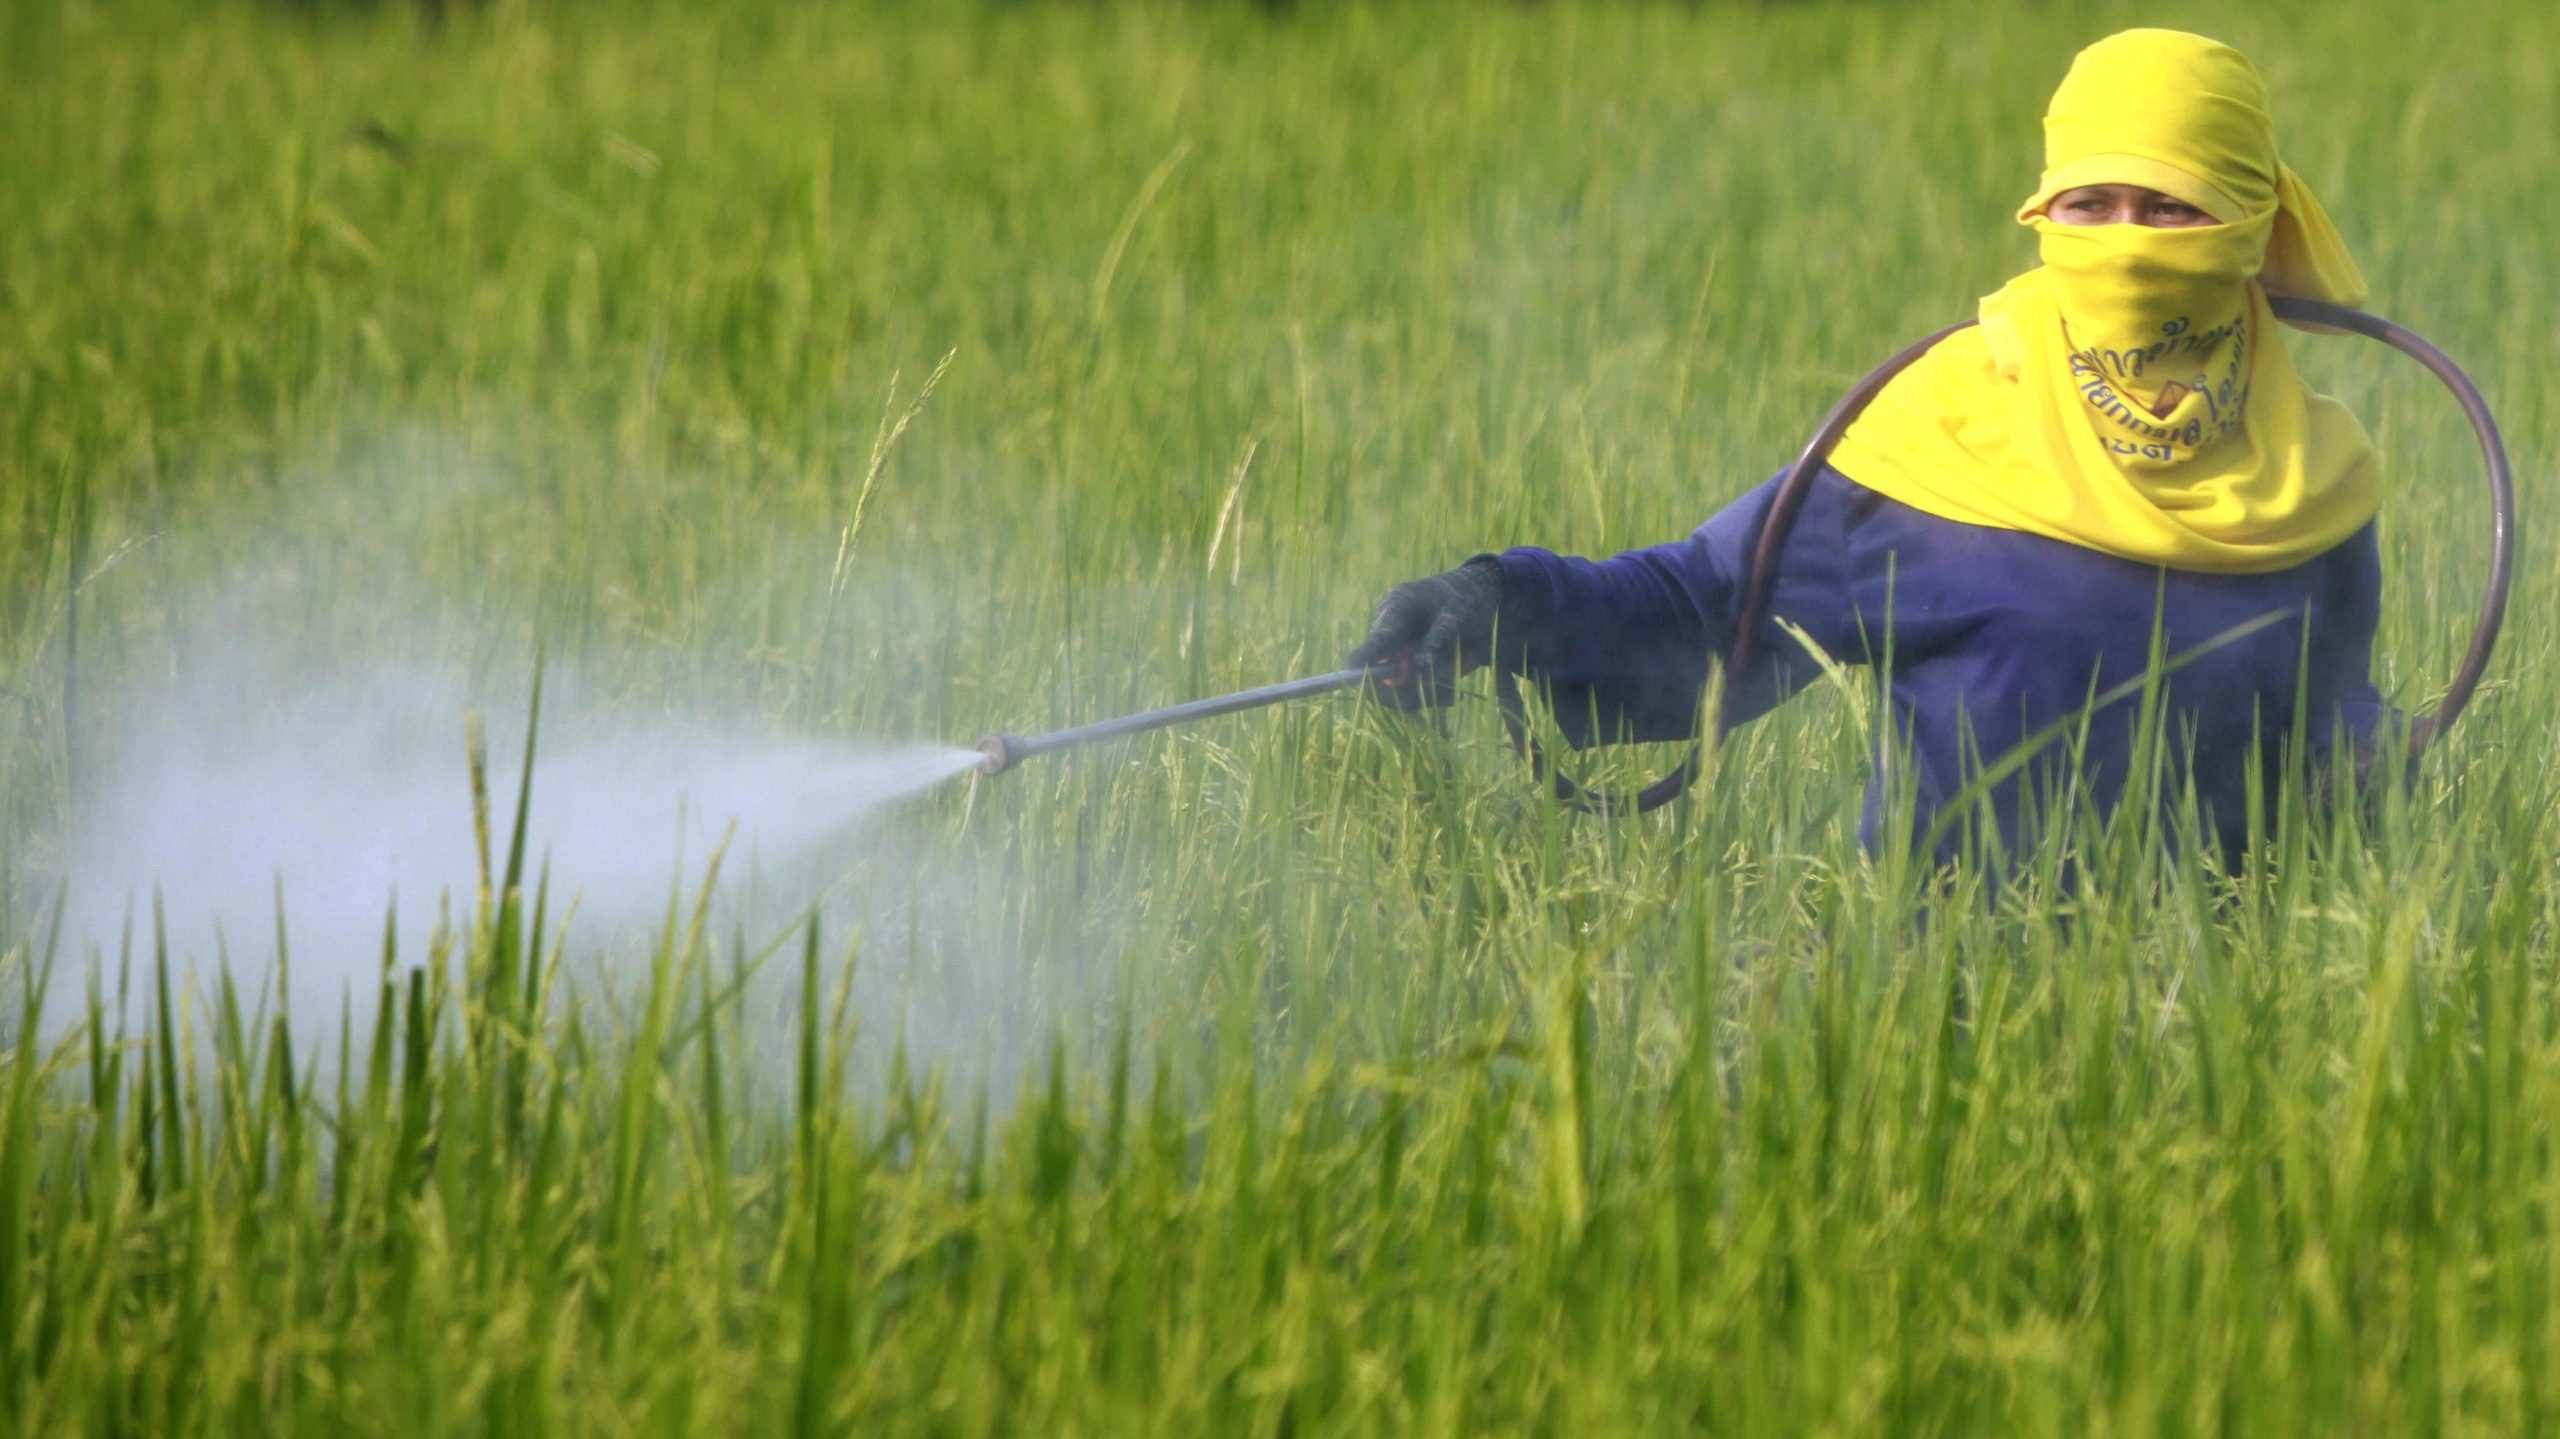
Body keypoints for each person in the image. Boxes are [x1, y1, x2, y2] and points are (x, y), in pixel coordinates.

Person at [1348, 29, 2391, 867]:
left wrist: (2372, 754)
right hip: (1947, 1022)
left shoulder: (2314, 485)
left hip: (2224, 1024)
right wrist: (1501, 604)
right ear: (2043, 214)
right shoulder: (1930, 442)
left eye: (2171, 207)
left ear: (2251, 227)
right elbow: (1702, 608)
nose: (2125, 236)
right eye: (2092, 203)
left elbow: (2323, 721)